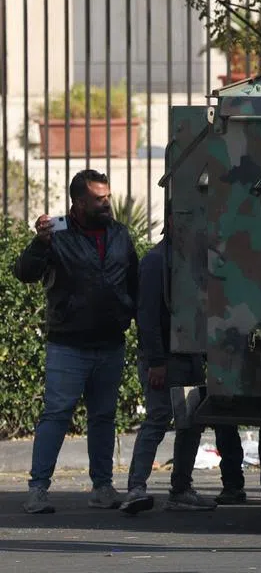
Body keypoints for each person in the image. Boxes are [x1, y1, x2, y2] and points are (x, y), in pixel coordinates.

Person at [13, 169, 138, 514]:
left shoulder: (119, 234)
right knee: (56, 415)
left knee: (103, 417)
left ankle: (102, 487)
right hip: (68, 345)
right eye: (99, 199)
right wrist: (39, 243)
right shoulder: (56, 235)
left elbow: (134, 282)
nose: (107, 204)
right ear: (79, 203)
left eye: (107, 197)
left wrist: (134, 319)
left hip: (110, 344)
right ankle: (38, 490)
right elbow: (24, 273)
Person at [121, 235, 218, 513]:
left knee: (191, 423)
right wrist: (156, 361)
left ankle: (181, 489)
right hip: (166, 356)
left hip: (188, 353)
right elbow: (147, 316)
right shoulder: (156, 261)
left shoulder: (189, 259)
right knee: (158, 417)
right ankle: (136, 488)